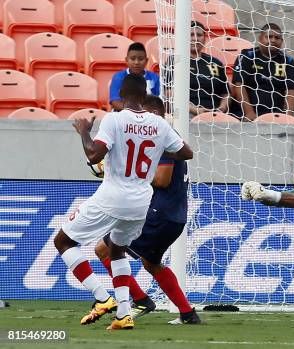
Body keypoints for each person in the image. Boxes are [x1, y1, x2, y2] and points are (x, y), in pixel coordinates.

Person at [53, 74, 193, 330]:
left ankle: (101, 297)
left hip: (113, 196)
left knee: (62, 241)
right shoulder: (159, 125)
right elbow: (187, 153)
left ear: (121, 96)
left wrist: (84, 133)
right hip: (141, 202)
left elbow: (95, 153)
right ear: (143, 96)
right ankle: (124, 314)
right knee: (117, 250)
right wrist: (155, 147)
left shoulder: (114, 120)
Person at [94, 95, 201, 325]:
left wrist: (127, 173)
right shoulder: (169, 137)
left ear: (153, 114)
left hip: (157, 214)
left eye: (142, 114)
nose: (139, 121)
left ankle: (141, 299)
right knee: (151, 263)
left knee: (104, 250)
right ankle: (187, 313)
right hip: (172, 215)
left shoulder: (159, 135)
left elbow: (162, 179)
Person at [231, 23, 294, 121]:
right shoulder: (246, 55)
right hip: (246, 113)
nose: (273, 40)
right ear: (260, 39)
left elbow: (292, 90)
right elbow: (238, 84)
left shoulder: (288, 61)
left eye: (277, 37)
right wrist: (249, 113)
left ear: (282, 41)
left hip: (275, 115)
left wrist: (287, 117)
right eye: (269, 37)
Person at [186, 21, 230, 117]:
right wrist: (195, 110)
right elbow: (169, 93)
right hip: (187, 114)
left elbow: (225, 93)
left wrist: (222, 108)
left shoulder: (215, 63)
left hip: (215, 114)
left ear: (205, 38)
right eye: (191, 34)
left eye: (199, 35)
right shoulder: (176, 62)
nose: (195, 38)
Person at [109, 43, 161, 111]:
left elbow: (158, 102)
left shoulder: (154, 78)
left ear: (146, 60)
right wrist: (135, 112)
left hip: (147, 116)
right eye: (133, 59)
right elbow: (115, 102)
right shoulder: (118, 77)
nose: (136, 62)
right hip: (123, 114)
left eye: (141, 59)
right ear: (126, 60)